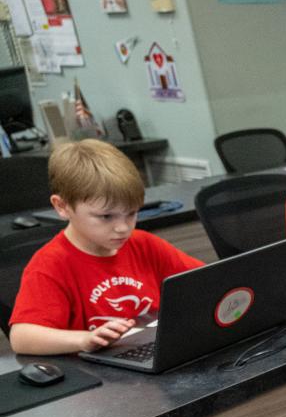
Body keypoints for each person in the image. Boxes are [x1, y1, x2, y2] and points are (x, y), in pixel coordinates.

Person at [8, 139, 202, 354]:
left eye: (131, 213)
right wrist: (84, 339)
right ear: (62, 207)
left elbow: (204, 281)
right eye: (106, 216)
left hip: (149, 353)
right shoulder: (50, 264)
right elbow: (21, 338)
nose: (122, 228)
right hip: (100, 375)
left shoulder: (143, 244)